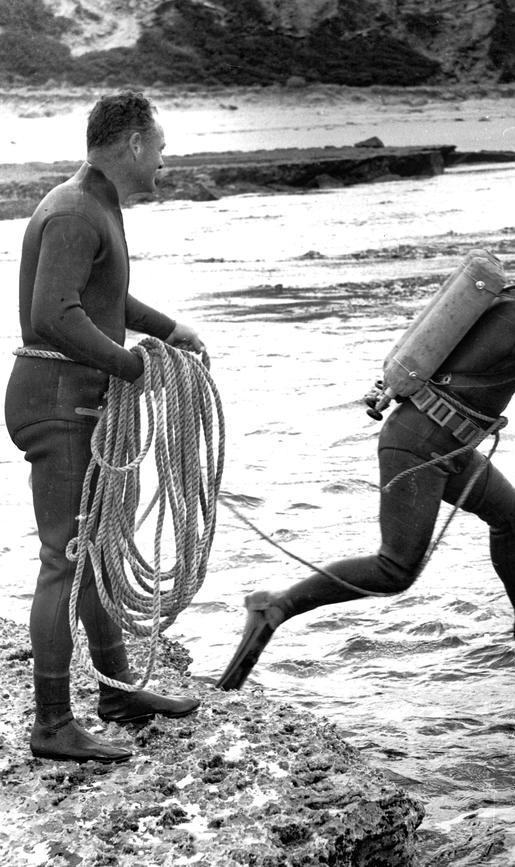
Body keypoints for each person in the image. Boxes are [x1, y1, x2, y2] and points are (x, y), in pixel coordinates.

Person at [216, 238, 515, 692]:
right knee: (395, 569)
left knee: (512, 514)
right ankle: (274, 606)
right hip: (419, 445)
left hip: (445, 444)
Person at [4, 91, 207, 763]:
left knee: (93, 548)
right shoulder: (73, 212)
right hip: (59, 401)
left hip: (71, 397)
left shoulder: (93, 205)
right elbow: (56, 313)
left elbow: (104, 296)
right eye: (161, 148)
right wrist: (129, 365)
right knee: (65, 558)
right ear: (131, 145)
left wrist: (167, 329)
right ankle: (53, 723)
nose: (164, 161)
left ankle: (116, 690)